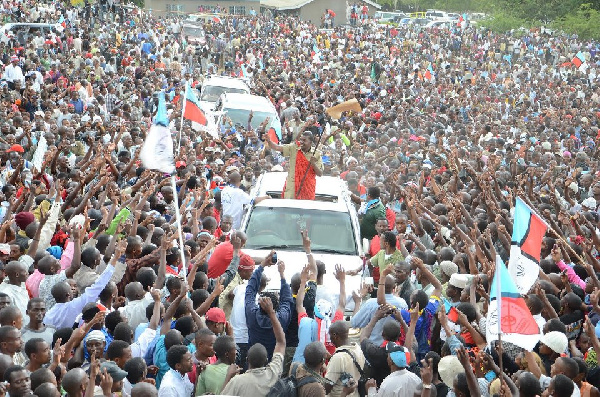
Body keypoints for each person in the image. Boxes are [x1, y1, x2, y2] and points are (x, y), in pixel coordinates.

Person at [221, 296, 286, 396]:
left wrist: (228, 376)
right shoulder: (273, 374)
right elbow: (281, 342)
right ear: (266, 360)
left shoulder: (237, 381)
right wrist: (271, 312)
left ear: (247, 360)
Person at [245, 251, 293, 360]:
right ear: (276, 307)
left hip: (254, 363)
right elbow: (287, 300)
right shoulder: (281, 319)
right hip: (273, 367)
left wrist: (262, 265)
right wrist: (282, 275)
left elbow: (250, 291)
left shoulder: (252, 315)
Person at [264, 129, 325, 200]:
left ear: (310, 142)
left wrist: (313, 163)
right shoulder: (294, 148)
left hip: (307, 189)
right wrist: (269, 140)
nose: (301, 142)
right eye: (301, 140)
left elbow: (320, 174)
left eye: (304, 140)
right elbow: (276, 147)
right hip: (291, 188)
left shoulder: (316, 154)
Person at [325, 321, 366, 397]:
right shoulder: (357, 349)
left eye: (330, 336)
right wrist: (331, 358)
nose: (330, 339)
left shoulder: (338, 358)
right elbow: (346, 367)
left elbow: (327, 388)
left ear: (335, 336)